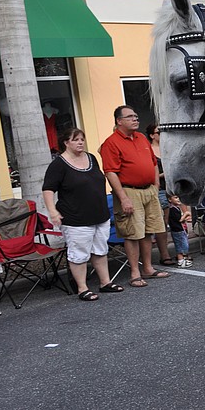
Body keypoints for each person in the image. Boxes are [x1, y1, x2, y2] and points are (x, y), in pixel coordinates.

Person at [42, 128, 124, 301]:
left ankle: (105, 282)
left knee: (100, 250)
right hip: (75, 218)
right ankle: (82, 288)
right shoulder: (58, 164)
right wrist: (53, 211)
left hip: (98, 214)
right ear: (66, 142)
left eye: (82, 139)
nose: (80, 142)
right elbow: (48, 189)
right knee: (79, 253)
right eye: (75, 139)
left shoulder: (91, 158)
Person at [100, 106, 171, 288]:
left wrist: (155, 186)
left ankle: (147, 268)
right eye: (130, 117)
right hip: (128, 191)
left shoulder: (141, 138)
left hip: (149, 190)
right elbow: (110, 172)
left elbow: (154, 163)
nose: (135, 119)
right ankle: (135, 273)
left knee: (148, 230)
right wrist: (123, 198)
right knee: (132, 233)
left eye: (136, 116)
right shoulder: (111, 142)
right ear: (119, 121)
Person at [146, 123, 175, 266]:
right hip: (159, 188)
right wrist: (165, 174)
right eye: (159, 132)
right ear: (152, 135)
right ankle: (164, 254)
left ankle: (182, 251)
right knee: (162, 223)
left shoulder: (167, 148)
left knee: (173, 221)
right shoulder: (149, 150)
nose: (161, 135)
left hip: (172, 188)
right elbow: (150, 173)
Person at [166, 193, 192, 268]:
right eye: (176, 197)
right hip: (177, 231)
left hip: (180, 229)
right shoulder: (172, 209)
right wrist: (186, 214)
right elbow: (179, 220)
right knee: (180, 245)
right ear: (170, 199)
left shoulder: (176, 208)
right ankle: (181, 260)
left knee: (184, 245)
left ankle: (184, 259)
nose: (178, 199)